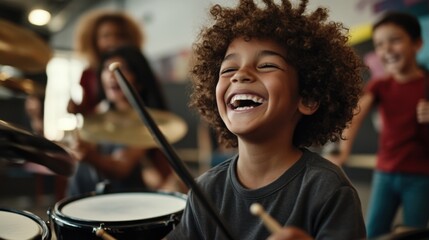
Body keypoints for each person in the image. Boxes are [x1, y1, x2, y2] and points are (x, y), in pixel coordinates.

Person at [166, 0, 366, 239]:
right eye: (228, 69)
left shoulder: (328, 189)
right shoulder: (205, 190)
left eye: (267, 65)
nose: (241, 75)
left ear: (309, 98)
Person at [328, 11, 429, 238]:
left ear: (417, 44)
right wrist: (341, 151)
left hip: (421, 177)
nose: (386, 50)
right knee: (372, 231)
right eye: (379, 45)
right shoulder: (380, 85)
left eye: (395, 40)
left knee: (414, 233)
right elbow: (356, 115)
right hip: (385, 173)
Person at [67, 46, 185, 196]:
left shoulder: (146, 120)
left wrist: (91, 156)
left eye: (122, 69)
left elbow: (121, 168)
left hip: (126, 203)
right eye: (105, 68)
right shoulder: (101, 111)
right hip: (87, 195)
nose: (111, 74)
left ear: (139, 80)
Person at [68, 10, 143, 115]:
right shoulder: (88, 74)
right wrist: (76, 108)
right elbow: (88, 108)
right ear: (94, 40)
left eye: (119, 35)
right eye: (106, 36)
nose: (113, 41)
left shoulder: (138, 68)